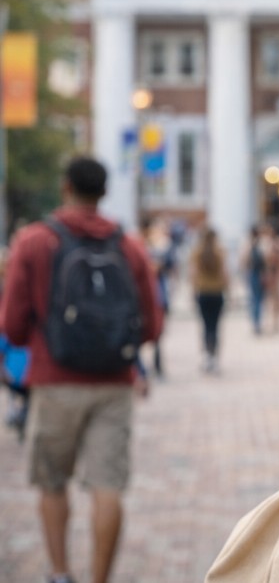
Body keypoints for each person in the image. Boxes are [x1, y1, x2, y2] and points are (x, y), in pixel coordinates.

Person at [0, 155, 162, 583]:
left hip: (55, 380)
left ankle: (59, 572)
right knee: (108, 486)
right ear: (105, 192)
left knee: (52, 482)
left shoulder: (35, 241)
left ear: (65, 186)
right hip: (113, 384)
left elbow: (12, 325)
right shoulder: (129, 246)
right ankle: (99, 579)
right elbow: (152, 323)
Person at [189, 226, 230, 374]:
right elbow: (225, 273)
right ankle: (214, 357)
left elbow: (193, 274)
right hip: (217, 293)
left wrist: (192, 292)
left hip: (203, 292)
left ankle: (207, 357)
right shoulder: (220, 252)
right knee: (215, 326)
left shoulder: (197, 252)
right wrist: (229, 291)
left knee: (206, 326)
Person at [139, 216, 176, 378]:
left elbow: (168, 266)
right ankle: (142, 366)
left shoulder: (164, 246)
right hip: (149, 295)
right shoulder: (141, 247)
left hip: (159, 295)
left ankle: (156, 364)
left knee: (158, 333)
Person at [239, 224, 266, 335]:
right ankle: (257, 321)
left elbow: (243, 261)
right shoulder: (262, 244)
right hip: (259, 273)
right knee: (258, 299)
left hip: (253, 273)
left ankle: (255, 321)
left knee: (254, 298)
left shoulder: (248, 244)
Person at [261, 222, 279, 334]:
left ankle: (276, 321)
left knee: (277, 299)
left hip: (277, 272)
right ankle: (269, 321)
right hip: (269, 272)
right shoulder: (266, 242)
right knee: (268, 299)